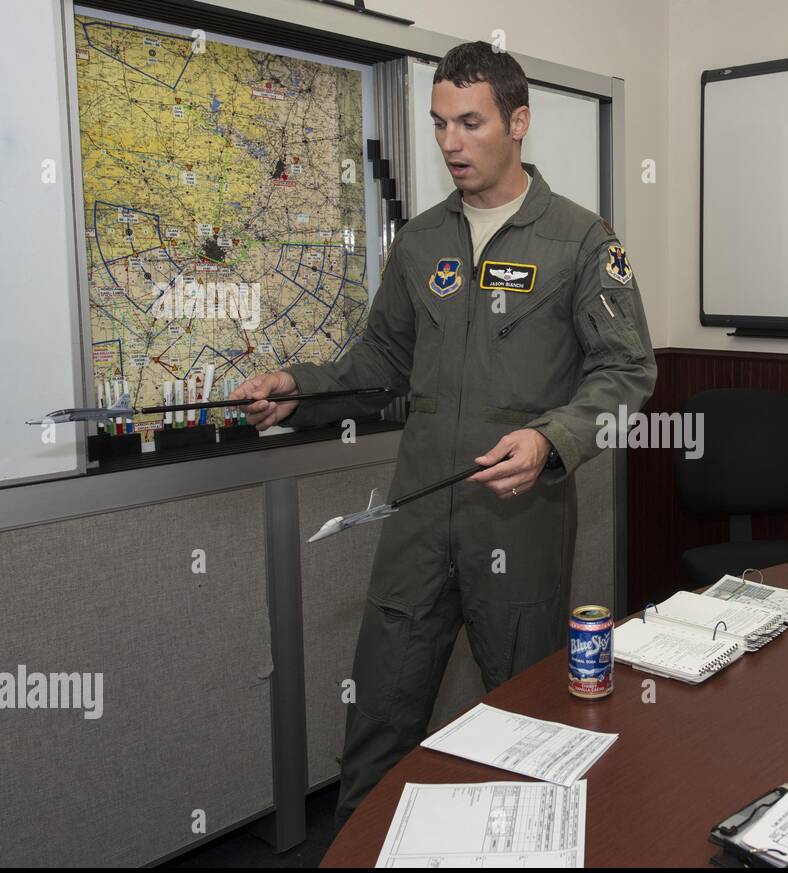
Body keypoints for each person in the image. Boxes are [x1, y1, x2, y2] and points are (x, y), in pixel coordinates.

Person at [232, 42, 656, 827]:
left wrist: (550, 439)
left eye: (470, 122)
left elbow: (626, 373)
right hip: (420, 515)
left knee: (529, 730)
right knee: (379, 723)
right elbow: (380, 361)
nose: (451, 143)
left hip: (519, 516)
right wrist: (302, 388)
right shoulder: (421, 242)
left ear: (518, 122)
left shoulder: (581, 241)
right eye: (439, 125)